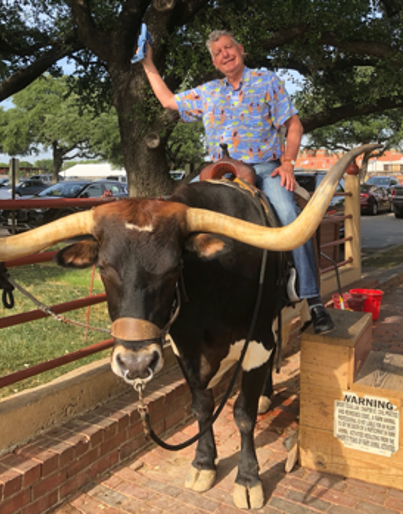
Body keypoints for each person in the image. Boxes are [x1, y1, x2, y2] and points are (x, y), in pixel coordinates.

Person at [140, 29, 334, 334]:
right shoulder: (208, 92)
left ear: (240, 49)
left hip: (263, 168)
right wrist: (147, 63)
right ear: (214, 63)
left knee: (290, 216)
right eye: (217, 53)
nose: (224, 54)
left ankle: (312, 300)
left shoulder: (267, 82)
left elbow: (293, 124)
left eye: (228, 47)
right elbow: (167, 100)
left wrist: (287, 163)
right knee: (175, 212)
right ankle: (167, 300)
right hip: (218, 171)